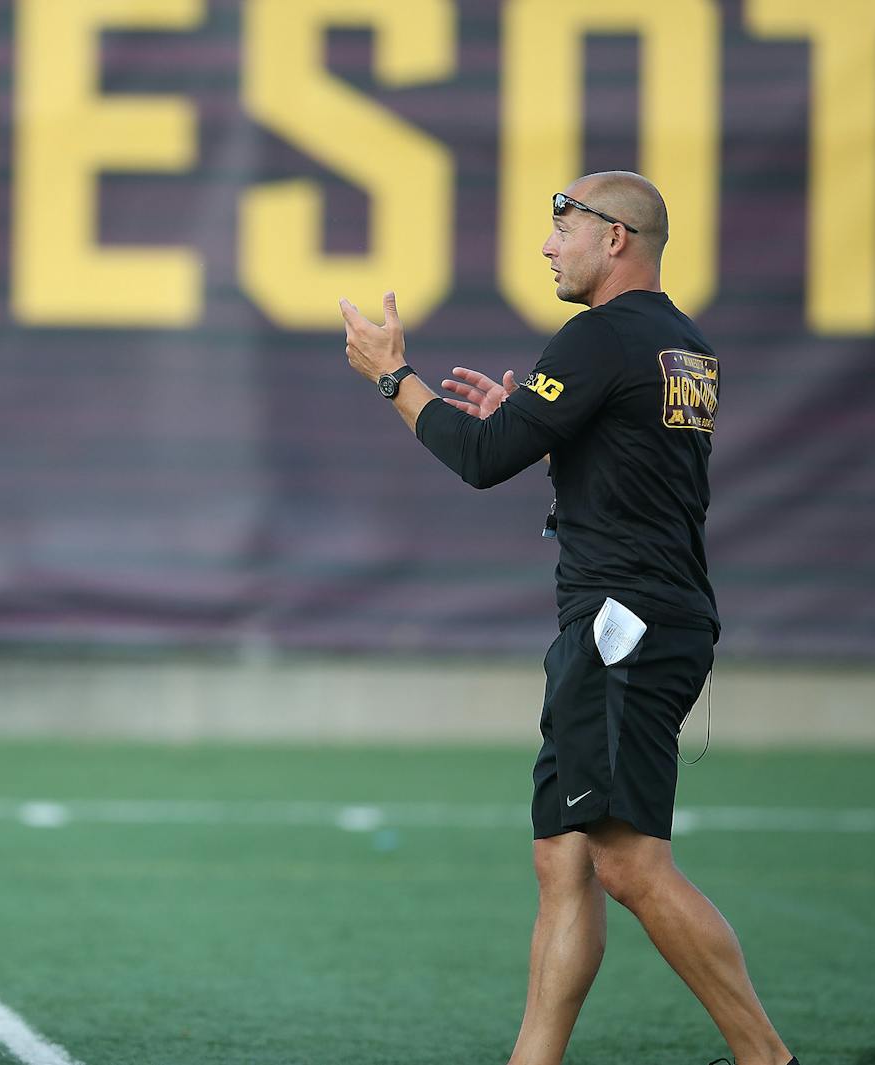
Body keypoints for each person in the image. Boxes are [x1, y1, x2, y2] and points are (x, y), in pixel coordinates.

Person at [339, 171, 797, 1065]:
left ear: (616, 237)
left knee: (627, 862)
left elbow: (481, 458)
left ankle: (765, 1056)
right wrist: (532, 418)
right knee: (564, 859)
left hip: (623, 625)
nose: (549, 244)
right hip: (642, 616)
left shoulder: (599, 338)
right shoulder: (680, 341)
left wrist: (392, 374)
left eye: (563, 225)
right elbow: (615, 460)